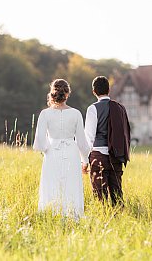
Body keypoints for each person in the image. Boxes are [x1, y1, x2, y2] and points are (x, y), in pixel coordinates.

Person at [33, 79, 90, 218]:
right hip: (71, 152)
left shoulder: (45, 114)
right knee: (71, 184)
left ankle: (51, 215)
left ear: (51, 93)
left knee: (51, 183)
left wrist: (48, 147)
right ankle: (73, 215)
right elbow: (82, 142)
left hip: (52, 152)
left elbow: (40, 143)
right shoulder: (76, 113)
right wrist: (85, 161)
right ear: (68, 94)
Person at [83, 76, 131, 206]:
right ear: (109, 90)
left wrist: (84, 161)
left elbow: (89, 137)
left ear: (94, 91)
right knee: (117, 194)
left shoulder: (93, 109)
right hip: (116, 155)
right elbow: (125, 132)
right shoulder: (120, 108)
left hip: (98, 156)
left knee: (100, 196)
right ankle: (120, 220)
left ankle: (103, 221)